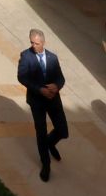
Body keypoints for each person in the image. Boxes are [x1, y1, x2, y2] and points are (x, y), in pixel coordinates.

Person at [16, 29, 68, 183]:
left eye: (37, 43)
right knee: (41, 132)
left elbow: (61, 78)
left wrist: (56, 86)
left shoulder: (52, 58)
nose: (34, 46)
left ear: (43, 42)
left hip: (53, 99)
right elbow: (22, 77)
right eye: (32, 42)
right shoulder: (26, 56)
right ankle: (46, 164)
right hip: (37, 101)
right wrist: (40, 90)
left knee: (63, 131)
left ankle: (50, 143)